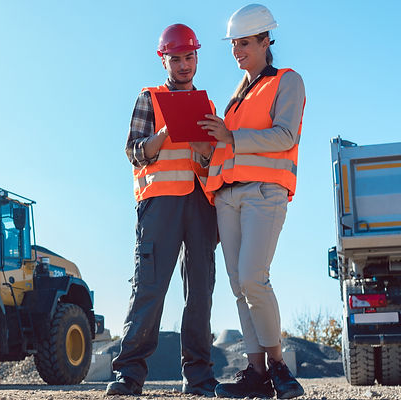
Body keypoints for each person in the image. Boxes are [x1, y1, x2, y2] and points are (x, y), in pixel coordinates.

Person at [195, 4, 306, 399]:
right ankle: (256, 373)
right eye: (234, 44)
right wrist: (205, 147)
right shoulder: (234, 99)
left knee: (253, 279)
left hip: (263, 193)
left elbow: (285, 136)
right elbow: (225, 150)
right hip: (227, 198)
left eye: (245, 43)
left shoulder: (287, 82)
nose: (237, 50)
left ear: (265, 41)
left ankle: (278, 367)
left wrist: (231, 137)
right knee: (239, 286)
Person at [106, 23, 219, 397]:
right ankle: (128, 375)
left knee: (200, 292)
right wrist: (165, 133)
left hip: (201, 206)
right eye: (177, 59)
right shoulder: (149, 98)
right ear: (164, 59)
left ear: (197, 57)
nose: (184, 65)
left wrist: (206, 153)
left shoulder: (209, 105)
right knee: (150, 289)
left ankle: (199, 377)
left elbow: (211, 163)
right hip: (160, 206)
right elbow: (133, 152)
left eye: (189, 57)